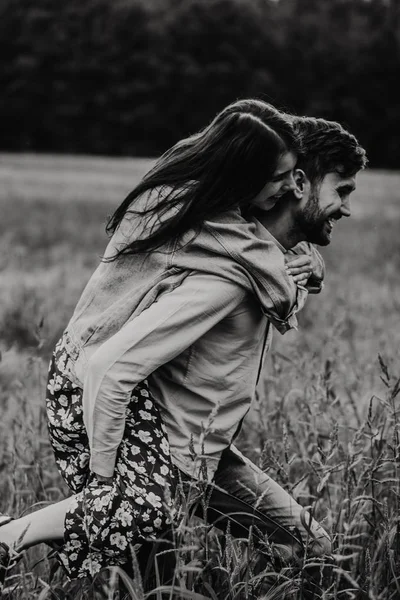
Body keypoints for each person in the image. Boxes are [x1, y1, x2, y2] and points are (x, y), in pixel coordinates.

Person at [0, 100, 366, 594]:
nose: (347, 206)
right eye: (341, 190)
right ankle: (10, 537)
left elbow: (270, 265)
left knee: (312, 550)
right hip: (140, 428)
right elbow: (111, 365)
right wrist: (106, 481)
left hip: (203, 456)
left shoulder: (254, 253)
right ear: (296, 185)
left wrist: (307, 261)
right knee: (151, 557)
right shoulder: (219, 268)